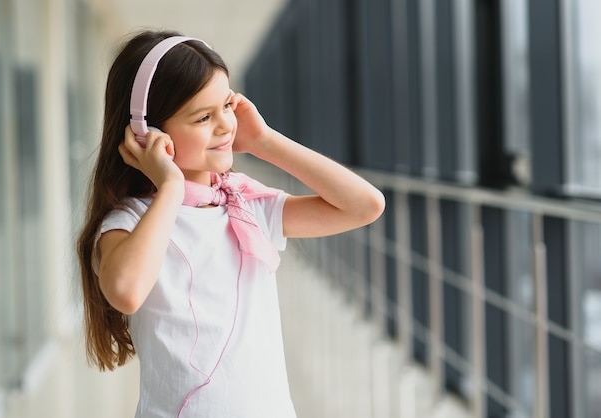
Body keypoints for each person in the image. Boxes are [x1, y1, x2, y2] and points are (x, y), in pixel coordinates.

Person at [76, 29, 385, 418]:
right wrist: (170, 186)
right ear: (146, 134)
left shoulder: (243, 207)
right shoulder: (131, 221)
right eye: (203, 117)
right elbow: (126, 291)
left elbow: (365, 206)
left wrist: (265, 141)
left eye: (227, 105)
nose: (225, 125)